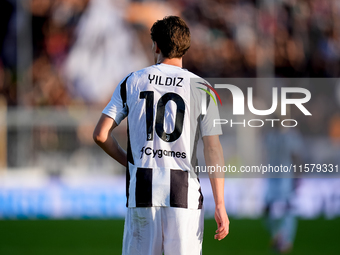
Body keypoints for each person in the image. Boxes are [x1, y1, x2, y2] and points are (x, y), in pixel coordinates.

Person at [93, 16, 229, 255]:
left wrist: (130, 162)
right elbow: (213, 149)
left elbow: (100, 135)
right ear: (185, 46)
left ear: (156, 45)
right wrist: (220, 203)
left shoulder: (132, 81)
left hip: (143, 191)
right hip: (184, 195)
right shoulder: (203, 88)